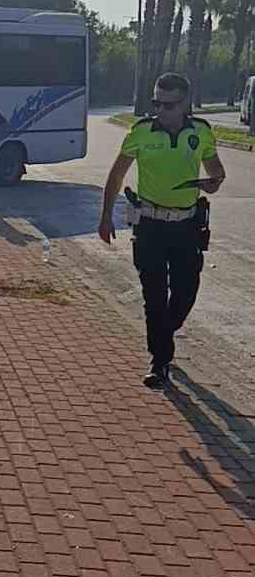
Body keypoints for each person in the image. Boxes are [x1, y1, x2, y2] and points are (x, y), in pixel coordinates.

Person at [98, 72, 225, 389]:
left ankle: (163, 334)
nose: (161, 110)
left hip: (187, 227)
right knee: (153, 296)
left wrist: (214, 181)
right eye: (157, 103)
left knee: (185, 292)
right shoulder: (141, 132)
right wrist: (105, 217)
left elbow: (216, 172)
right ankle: (160, 361)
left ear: (185, 103)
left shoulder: (201, 133)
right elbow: (115, 176)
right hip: (151, 226)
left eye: (169, 105)